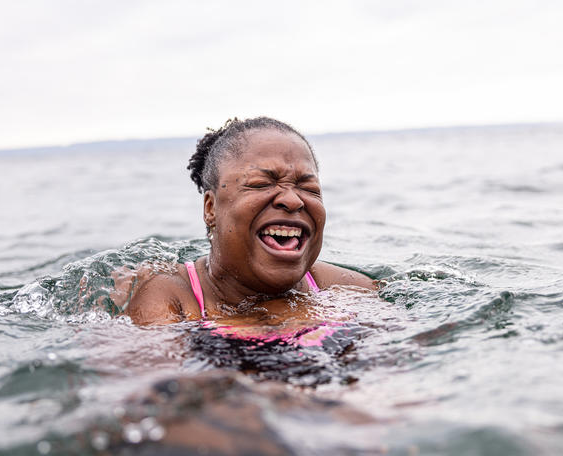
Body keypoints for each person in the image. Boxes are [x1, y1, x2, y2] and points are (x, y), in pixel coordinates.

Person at [122, 117, 377, 329]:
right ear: (210, 208)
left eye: (308, 187)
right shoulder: (173, 299)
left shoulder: (350, 290)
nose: (292, 199)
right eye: (260, 184)